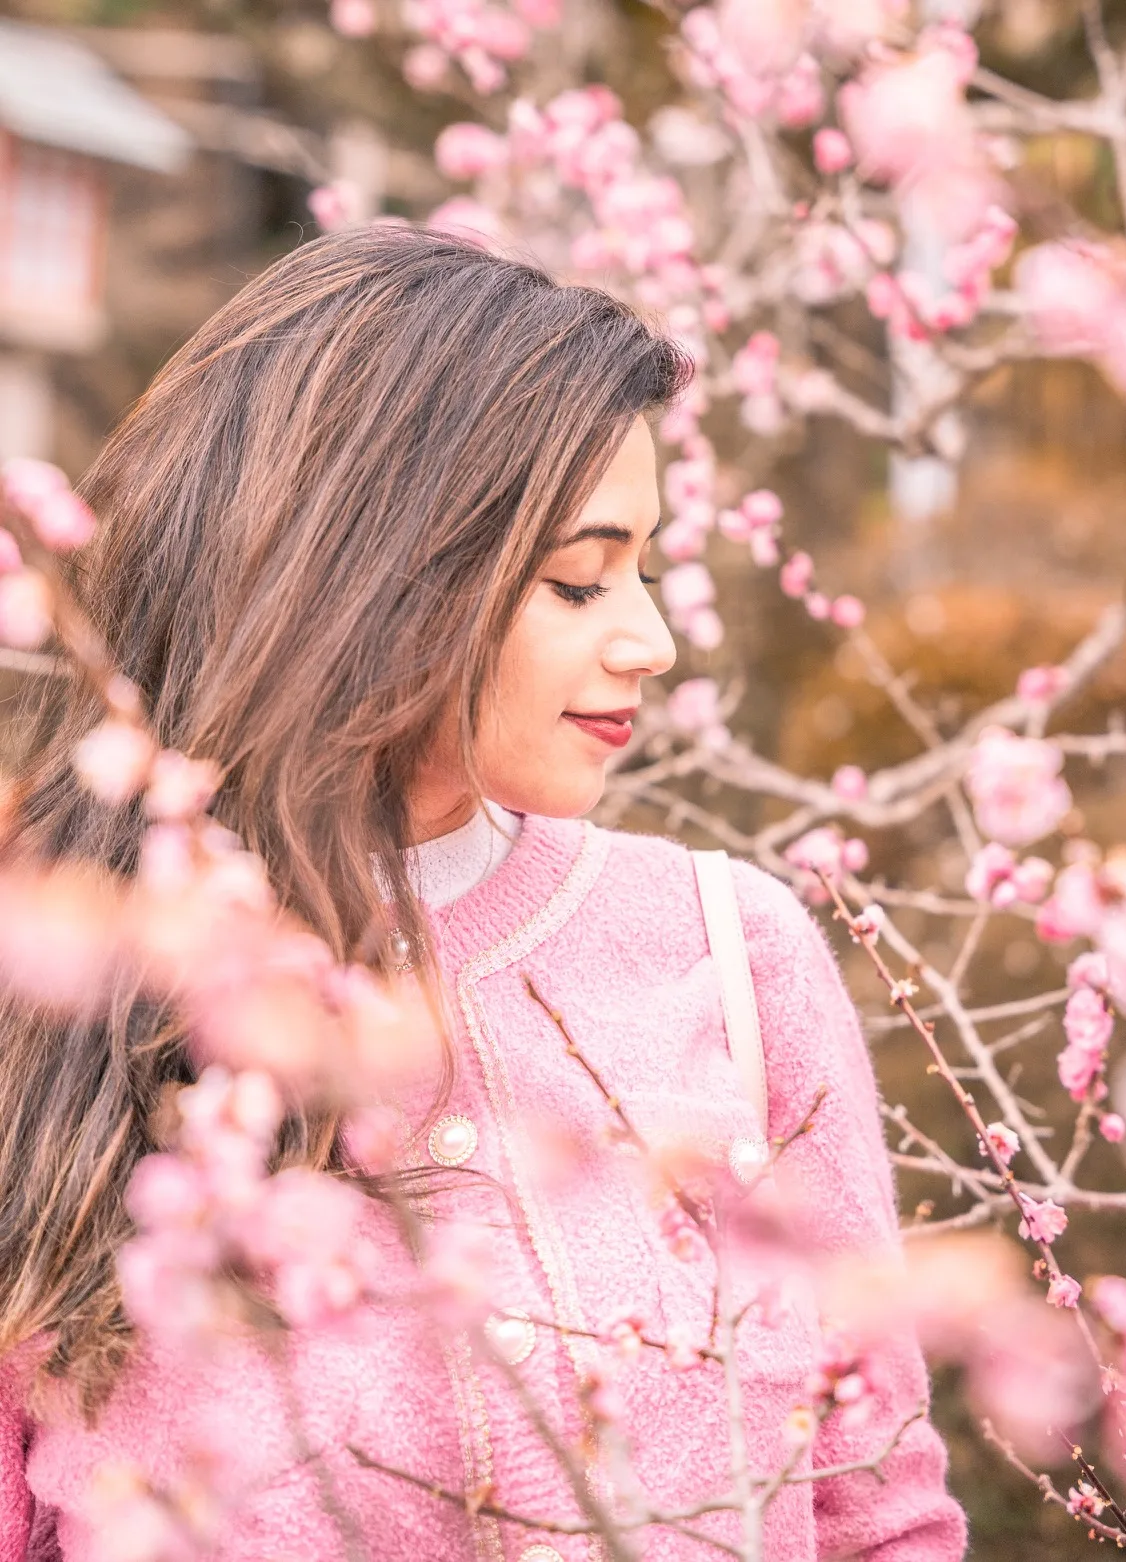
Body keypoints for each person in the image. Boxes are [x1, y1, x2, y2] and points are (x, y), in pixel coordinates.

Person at [0, 224, 965, 1561]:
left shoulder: (732, 960)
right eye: (580, 578)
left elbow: (881, 1515)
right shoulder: (51, 997)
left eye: (641, 565)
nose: (652, 636)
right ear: (376, 578)